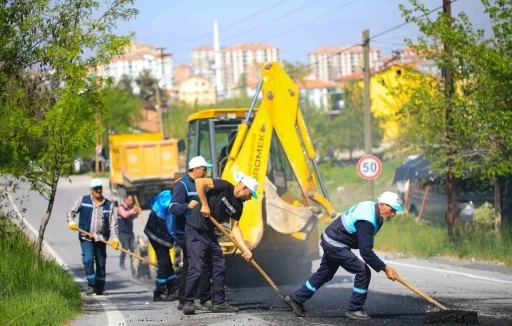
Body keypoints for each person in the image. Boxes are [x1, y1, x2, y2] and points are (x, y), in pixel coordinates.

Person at [284, 191, 402, 320]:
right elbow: (366, 252)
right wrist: (385, 268)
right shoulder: (367, 219)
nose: (393, 214)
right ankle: (354, 309)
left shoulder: (371, 207)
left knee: (325, 273)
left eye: (395, 211)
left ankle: (295, 298)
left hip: (332, 238)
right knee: (363, 271)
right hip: (335, 243)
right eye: (392, 209)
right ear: (381, 205)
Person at [181, 173, 259, 315]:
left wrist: (244, 249)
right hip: (195, 229)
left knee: (219, 265)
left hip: (209, 233)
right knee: (196, 267)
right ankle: (188, 302)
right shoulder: (224, 186)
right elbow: (199, 182)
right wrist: (204, 204)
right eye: (250, 194)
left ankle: (219, 302)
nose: (249, 198)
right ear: (244, 187)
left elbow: (235, 228)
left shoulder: (238, 206)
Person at [169, 156, 215, 311]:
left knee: (204, 263)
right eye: (204, 168)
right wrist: (187, 205)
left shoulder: (202, 184)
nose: (206, 171)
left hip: (200, 229)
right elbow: (173, 208)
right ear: (195, 169)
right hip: (184, 231)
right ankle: (185, 300)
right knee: (192, 265)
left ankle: (203, 298)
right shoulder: (182, 185)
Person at [67, 178, 119, 296]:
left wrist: (115, 238)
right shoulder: (83, 200)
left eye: (100, 188)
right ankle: (91, 285)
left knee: (101, 263)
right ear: (91, 190)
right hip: (86, 237)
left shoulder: (108, 205)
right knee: (88, 259)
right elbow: (70, 211)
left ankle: (100, 288)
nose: (98, 190)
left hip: (101, 238)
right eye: (96, 189)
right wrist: (71, 221)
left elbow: (113, 223)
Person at [144, 190, 179, 302]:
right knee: (164, 263)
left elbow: (151, 201)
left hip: (151, 229)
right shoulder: (172, 205)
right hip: (159, 234)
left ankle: (173, 289)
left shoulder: (165, 193)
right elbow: (171, 225)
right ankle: (159, 292)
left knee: (167, 262)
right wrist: (178, 240)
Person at [117, 195, 139, 270]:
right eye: (129, 200)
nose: (131, 202)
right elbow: (125, 215)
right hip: (122, 232)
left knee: (132, 248)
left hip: (130, 232)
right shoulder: (120, 208)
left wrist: (137, 212)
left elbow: (133, 216)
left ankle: (133, 264)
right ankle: (121, 262)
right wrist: (133, 209)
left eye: (132, 200)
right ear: (125, 200)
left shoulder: (129, 209)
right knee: (125, 247)